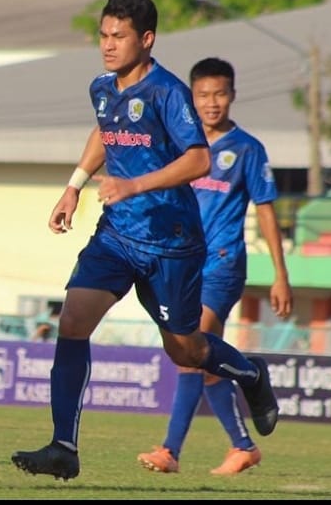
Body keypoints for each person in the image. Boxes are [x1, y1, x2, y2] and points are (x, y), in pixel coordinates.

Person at [10, 0, 280, 481]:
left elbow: (199, 159)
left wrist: (134, 184)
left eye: (119, 36)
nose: (108, 45)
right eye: (103, 35)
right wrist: (74, 186)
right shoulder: (101, 87)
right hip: (116, 235)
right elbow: (105, 131)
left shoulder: (168, 92)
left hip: (171, 243)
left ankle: (250, 373)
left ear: (147, 39)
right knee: (73, 320)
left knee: (185, 350)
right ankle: (63, 447)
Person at [136, 57, 293, 476]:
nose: (212, 102)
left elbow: (266, 211)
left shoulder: (247, 149)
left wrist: (280, 275)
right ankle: (242, 445)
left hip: (222, 263)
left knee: (189, 352)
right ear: (192, 98)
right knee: (205, 362)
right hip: (182, 263)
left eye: (220, 94)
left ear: (232, 96)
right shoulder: (179, 144)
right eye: (203, 95)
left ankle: (170, 450)